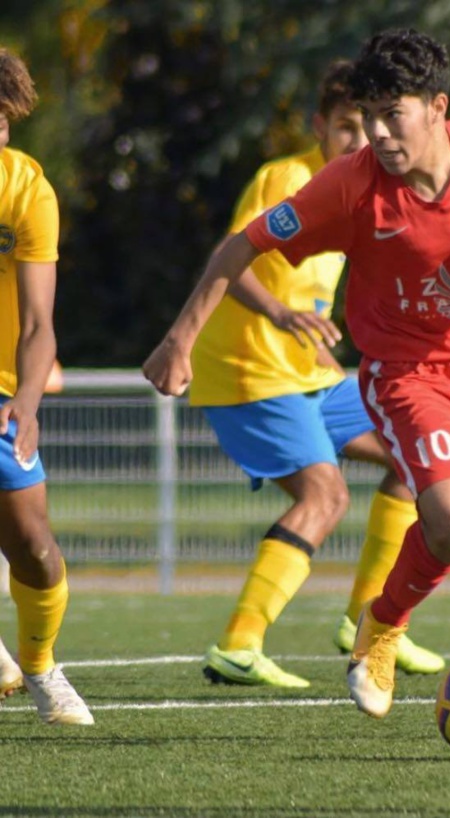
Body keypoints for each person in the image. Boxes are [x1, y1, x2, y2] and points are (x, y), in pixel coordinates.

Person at [141, 29, 450, 741]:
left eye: (396, 114)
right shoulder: (351, 184)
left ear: (438, 108)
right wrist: (179, 339)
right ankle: (382, 624)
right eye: (369, 116)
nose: (380, 133)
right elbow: (243, 244)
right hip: (409, 374)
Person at [145, 59, 444, 688]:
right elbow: (233, 257)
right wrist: (277, 315)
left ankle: (367, 622)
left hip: (305, 376)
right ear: (319, 126)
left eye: (367, 126)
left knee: (415, 458)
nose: (359, 141)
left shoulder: (366, 192)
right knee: (325, 495)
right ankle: (238, 644)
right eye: (344, 127)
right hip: (250, 371)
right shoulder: (288, 177)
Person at [0, 48, 93, 724]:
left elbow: (39, 325)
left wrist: (25, 406)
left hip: (3, 391)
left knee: (32, 547)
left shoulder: (26, 191)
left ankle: (37, 665)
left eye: (1, 122)